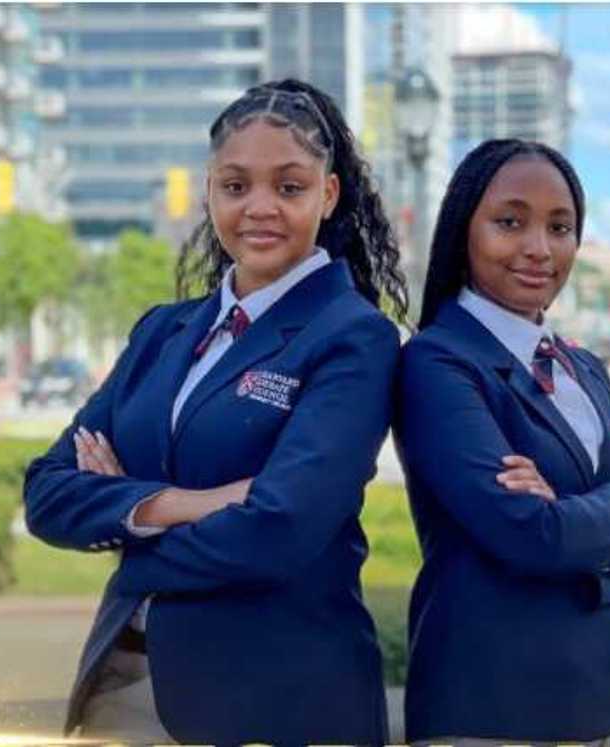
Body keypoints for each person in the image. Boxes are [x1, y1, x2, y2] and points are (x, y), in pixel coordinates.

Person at [23, 79, 407, 746]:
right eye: (235, 185)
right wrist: (184, 504)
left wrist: (127, 526)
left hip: (277, 700)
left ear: (327, 194)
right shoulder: (162, 331)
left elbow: (282, 529)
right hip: (123, 688)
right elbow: (47, 492)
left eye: (289, 187)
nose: (259, 207)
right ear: (208, 191)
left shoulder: (354, 337)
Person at [395, 139, 610, 746]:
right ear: (464, 230)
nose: (539, 248)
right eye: (510, 222)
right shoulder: (436, 363)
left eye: (560, 227)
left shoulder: (584, 369)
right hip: (492, 710)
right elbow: (528, 532)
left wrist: (567, 515)